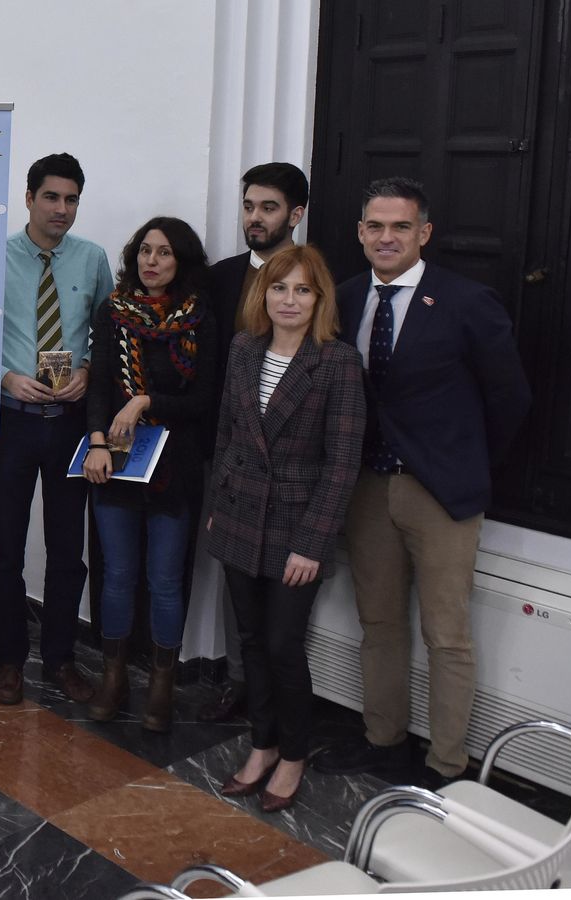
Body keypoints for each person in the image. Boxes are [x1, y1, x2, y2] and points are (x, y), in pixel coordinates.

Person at [312, 177, 531, 787]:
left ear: (424, 233)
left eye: (401, 226)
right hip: (367, 489)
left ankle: (447, 766)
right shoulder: (343, 298)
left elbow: (510, 398)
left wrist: (466, 463)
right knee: (379, 624)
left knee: (446, 635)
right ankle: (383, 743)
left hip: (440, 494)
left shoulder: (467, 301)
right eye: (376, 226)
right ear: (360, 232)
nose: (387, 237)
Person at [206, 245, 365, 812]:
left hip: (296, 529)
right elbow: (227, 433)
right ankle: (263, 744)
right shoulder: (244, 348)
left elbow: (342, 463)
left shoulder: (337, 362)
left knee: (282, 645)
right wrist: (219, 503)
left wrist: (312, 543)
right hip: (238, 516)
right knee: (250, 642)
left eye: (302, 290)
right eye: (279, 288)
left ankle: (293, 754)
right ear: (263, 294)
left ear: (319, 299)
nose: (289, 300)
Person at [0, 153, 115, 706]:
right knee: (5, 549)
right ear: (29, 199)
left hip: (68, 425)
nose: (61, 209)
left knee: (67, 551)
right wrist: (5, 377)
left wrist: (87, 370)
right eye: (51, 197)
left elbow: (108, 336)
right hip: (11, 423)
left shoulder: (92, 259)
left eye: (71, 199)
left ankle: (61, 659)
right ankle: (8, 659)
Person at [83, 216, 216, 732]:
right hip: (116, 459)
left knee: (164, 579)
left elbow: (204, 400)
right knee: (116, 575)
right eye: (144, 251)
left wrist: (145, 401)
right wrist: (97, 442)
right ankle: (113, 676)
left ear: (181, 261)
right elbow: (99, 386)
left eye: (163, 253)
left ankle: (162, 683)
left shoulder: (199, 317)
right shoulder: (113, 311)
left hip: (175, 466)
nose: (151, 261)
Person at [199, 162, 310, 724]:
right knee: (235, 574)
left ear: (295, 214)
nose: (255, 218)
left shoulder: (313, 279)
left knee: (284, 597)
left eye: (268, 208)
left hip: (293, 467)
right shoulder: (220, 277)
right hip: (230, 454)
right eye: (248, 207)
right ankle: (241, 683)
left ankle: (279, 706)